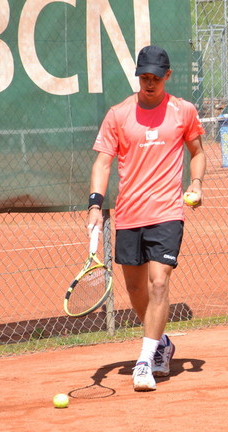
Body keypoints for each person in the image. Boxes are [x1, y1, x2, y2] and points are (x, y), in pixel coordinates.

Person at [87, 45, 206, 392]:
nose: (149, 84)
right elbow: (102, 163)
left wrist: (196, 182)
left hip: (167, 211)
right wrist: (95, 204)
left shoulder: (183, 111)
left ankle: (145, 360)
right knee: (136, 289)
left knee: (158, 283)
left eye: (155, 78)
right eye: (143, 78)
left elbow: (197, 152)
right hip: (128, 215)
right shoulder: (119, 114)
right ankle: (163, 344)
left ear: (167, 76)